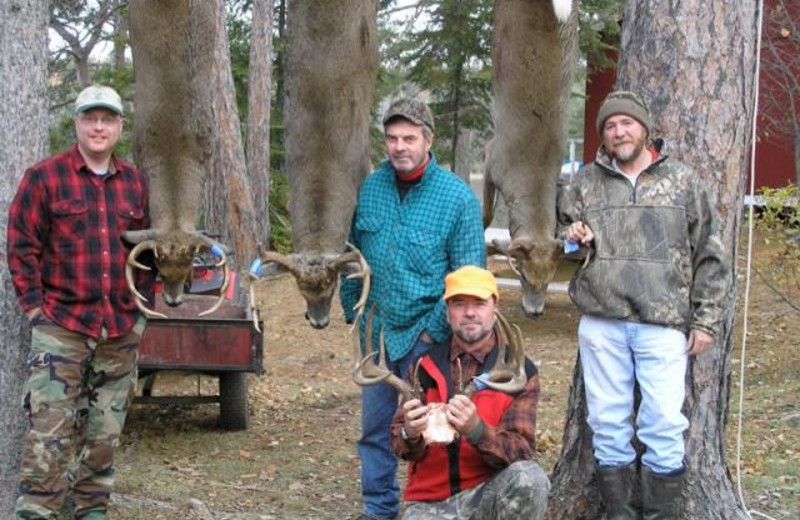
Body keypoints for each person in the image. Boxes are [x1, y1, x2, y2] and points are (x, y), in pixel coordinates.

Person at [558, 90, 729, 518]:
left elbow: (711, 254)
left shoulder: (683, 182)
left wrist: (706, 320)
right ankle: (620, 513)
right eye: (610, 126)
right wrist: (572, 238)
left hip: (663, 324)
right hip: (603, 322)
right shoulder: (583, 183)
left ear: (644, 128)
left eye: (626, 123)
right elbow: (564, 244)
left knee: (665, 425)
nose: (619, 132)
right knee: (608, 424)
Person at [7, 85, 152, 519]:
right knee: (48, 434)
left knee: (105, 434)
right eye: (91, 118)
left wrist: (143, 307)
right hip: (62, 327)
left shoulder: (136, 184)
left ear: (119, 127)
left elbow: (150, 254)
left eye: (107, 119)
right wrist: (35, 309)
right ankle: (37, 512)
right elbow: (21, 246)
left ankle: (91, 510)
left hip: (120, 329)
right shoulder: (45, 177)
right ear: (77, 123)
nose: (99, 127)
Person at [340, 97, 486, 520]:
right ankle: (379, 509)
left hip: (429, 332)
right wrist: (354, 315)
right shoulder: (371, 188)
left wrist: (431, 335)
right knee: (375, 429)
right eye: (391, 138)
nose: (399, 147)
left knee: (434, 428)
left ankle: (432, 506)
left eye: (408, 138)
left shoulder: (456, 198)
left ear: (428, 140)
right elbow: (353, 259)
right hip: (377, 333)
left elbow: (469, 278)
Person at [389, 265, 549, 520]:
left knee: (530, 480)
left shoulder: (518, 372)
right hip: (431, 503)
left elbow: (520, 452)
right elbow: (402, 446)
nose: (470, 313)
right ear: (448, 312)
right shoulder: (424, 367)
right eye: (459, 304)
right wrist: (410, 432)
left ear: (494, 308)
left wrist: (477, 430)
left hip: (489, 495)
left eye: (479, 303)